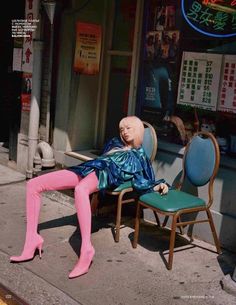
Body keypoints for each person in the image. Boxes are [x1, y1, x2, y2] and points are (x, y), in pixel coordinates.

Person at [10, 116, 168, 279]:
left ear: (139, 130)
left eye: (129, 128)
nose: (124, 132)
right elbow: (101, 158)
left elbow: (144, 179)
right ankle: (32, 240)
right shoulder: (114, 143)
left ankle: (87, 249)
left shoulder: (139, 155)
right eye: (122, 129)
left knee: (80, 190)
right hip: (89, 167)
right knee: (33, 185)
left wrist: (156, 185)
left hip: (105, 174)